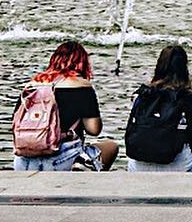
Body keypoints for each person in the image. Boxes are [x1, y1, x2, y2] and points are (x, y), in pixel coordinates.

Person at [12, 40, 118, 171]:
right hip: (62, 158)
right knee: (111, 147)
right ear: (83, 63)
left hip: (23, 161)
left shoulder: (31, 86)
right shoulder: (81, 85)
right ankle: (83, 169)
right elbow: (94, 130)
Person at [125, 44, 192, 172]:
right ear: (184, 68)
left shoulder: (143, 94)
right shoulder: (191, 97)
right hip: (178, 165)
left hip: (137, 165)